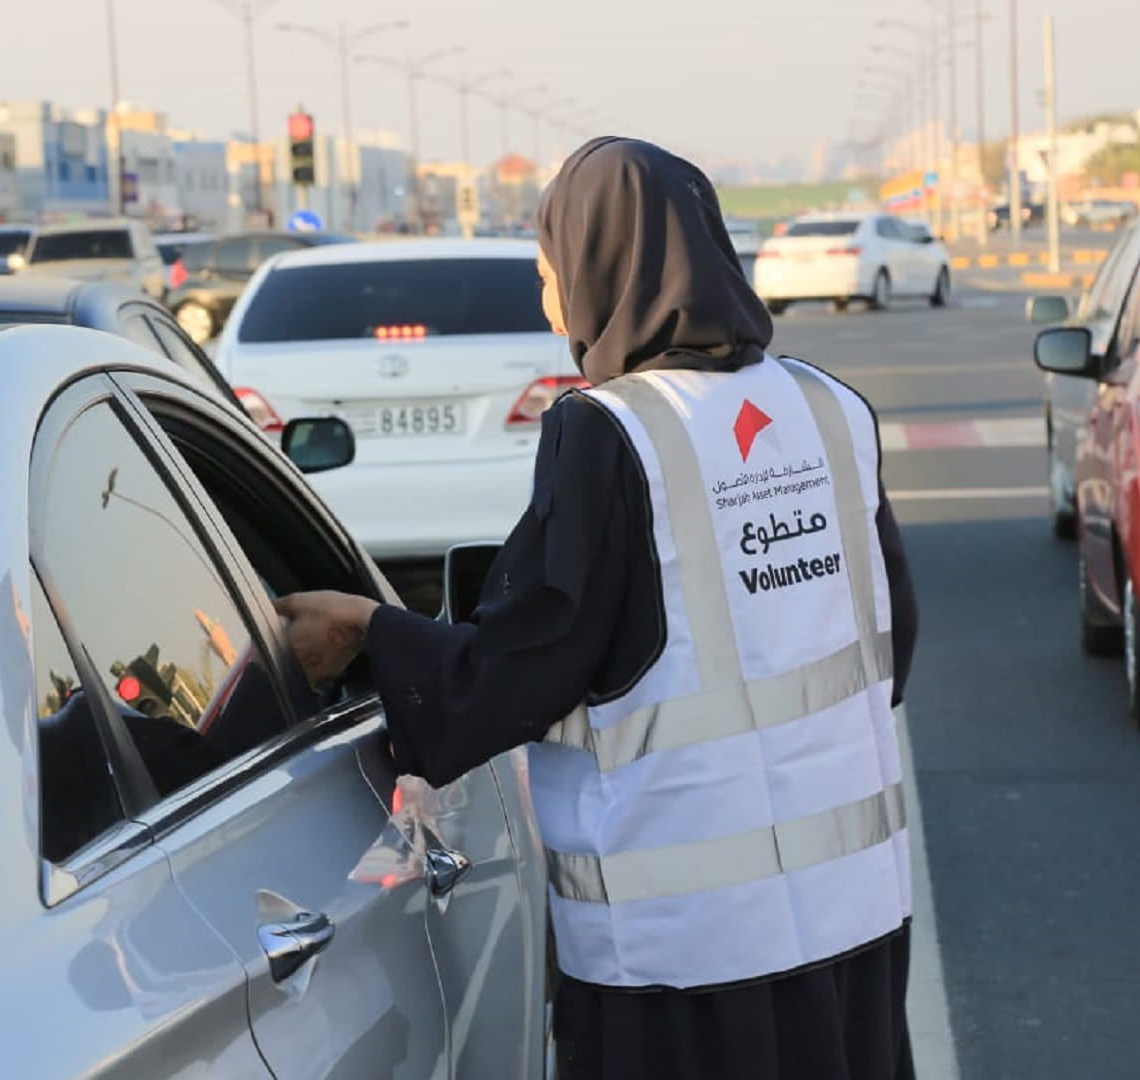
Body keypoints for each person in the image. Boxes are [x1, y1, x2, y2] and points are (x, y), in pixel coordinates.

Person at [276, 136, 919, 1080]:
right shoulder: (830, 408)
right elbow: (890, 645)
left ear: (596, 270)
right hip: (855, 922)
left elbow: (524, 665)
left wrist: (370, 631)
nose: (549, 303)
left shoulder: (609, 432)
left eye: (548, 275)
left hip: (684, 959)